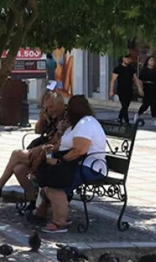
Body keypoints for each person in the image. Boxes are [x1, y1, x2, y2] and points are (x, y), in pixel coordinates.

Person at [0, 92, 69, 210]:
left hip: (52, 153)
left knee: (17, 154)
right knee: (18, 169)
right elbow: (38, 130)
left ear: (60, 104)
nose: (49, 110)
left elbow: (55, 140)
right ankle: (33, 200)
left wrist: (39, 148)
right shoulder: (52, 115)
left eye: (51, 107)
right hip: (44, 150)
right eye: (47, 107)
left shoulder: (66, 117)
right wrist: (42, 118)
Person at [35, 95, 107, 234]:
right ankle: (41, 213)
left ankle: (60, 223)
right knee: (47, 177)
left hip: (90, 167)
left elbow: (80, 150)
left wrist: (60, 161)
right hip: (78, 163)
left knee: (55, 185)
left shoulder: (85, 124)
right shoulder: (78, 123)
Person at [109, 55, 143, 124]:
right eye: (127, 58)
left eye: (129, 58)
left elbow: (136, 79)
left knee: (126, 106)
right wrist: (111, 91)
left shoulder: (131, 68)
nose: (128, 60)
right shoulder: (118, 69)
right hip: (121, 90)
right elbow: (113, 80)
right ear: (123, 59)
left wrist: (139, 89)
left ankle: (119, 118)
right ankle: (127, 122)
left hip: (129, 89)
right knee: (124, 105)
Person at [135, 56, 156, 127]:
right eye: (151, 60)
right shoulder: (144, 70)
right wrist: (140, 89)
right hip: (147, 88)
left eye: (153, 60)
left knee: (154, 105)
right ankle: (138, 114)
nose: (152, 62)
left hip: (154, 88)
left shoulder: (155, 70)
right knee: (146, 104)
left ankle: (154, 120)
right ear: (147, 62)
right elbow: (140, 80)